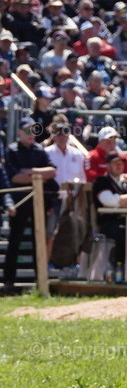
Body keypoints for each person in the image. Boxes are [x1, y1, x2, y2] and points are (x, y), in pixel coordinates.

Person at [3, 118, 57, 295]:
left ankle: (39, 279)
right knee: (15, 241)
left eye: (33, 130)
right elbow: (14, 178)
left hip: (38, 202)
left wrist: (30, 172)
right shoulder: (12, 150)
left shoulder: (39, 150)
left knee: (39, 240)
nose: (30, 134)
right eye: (27, 130)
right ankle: (9, 281)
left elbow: (52, 172)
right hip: (19, 201)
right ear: (19, 132)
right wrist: (39, 176)